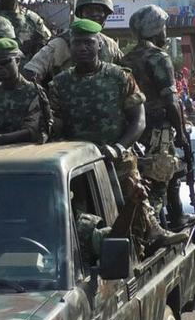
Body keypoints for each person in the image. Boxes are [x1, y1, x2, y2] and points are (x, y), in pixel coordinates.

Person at [48, 19, 186, 260]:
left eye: (88, 43)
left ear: (99, 45)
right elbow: (55, 126)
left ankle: (151, 236)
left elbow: (138, 120)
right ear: (70, 47)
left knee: (134, 207)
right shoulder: (60, 84)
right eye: (77, 43)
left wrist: (120, 147)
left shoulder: (119, 77)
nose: (82, 48)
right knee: (81, 221)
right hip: (78, 167)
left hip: (118, 158)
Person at [121, 5, 190, 231]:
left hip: (133, 130)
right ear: (155, 29)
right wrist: (181, 134)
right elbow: (170, 100)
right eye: (163, 27)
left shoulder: (126, 59)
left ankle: (169, 219)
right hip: (159, 129)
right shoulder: (158, 57)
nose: (165, 32)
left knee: (152, 178)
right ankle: (152, 231)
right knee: (159, 182)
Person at [23, 0, 124, 85]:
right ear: (80, 14)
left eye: (98, 10)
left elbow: (126, 70)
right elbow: (31, 72)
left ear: (105, 15)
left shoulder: (110, 45)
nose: (94, 15)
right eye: (89, 11)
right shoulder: (61, 43)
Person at [0, 38, 49, 146]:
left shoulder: (34, 92)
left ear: (18, 60)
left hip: (29, 155)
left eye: (4, 62)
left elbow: (34, 131)